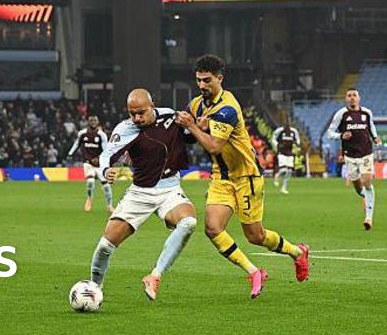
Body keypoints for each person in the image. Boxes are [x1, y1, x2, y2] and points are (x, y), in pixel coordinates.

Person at [176, 54, 310, 299]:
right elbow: (185, 136)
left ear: (220, 78)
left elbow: (214, 146)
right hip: (221, 177)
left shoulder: (227, 108)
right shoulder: (196, 104)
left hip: (246, 176)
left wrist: (194, 127)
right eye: (198, 80)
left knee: (255, 236)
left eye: (207, 80)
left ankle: (298, 253)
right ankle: (254, 271)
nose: (202, 86)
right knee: (212, 228)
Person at [88, 89, 198, 302]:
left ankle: (155, 275)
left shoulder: (168, 115)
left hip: (170, 189)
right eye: (132, 114)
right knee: (105, 246)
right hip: (140, 193)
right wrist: (105, 171)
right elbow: (106, 156)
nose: (137, 118)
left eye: (141, 113)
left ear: (152, 106)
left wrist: (193, 124)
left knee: (188, 222)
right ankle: (94, 288)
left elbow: (189, 135)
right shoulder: (125, 129)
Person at [326, 88, 381, 230]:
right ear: (346, 99)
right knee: (358, 187)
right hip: (350, 156)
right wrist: (341, 135)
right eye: (349, 95)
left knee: (367, 181)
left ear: (359, 98)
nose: (352, 98)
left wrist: (375, 137)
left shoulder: (366, 113)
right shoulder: (341, 114)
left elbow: (371, 126)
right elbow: (330, 132)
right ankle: (365, 197)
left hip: (366, 153)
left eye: (354, 95)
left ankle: (368, 217)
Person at [68, 115, 113, 214]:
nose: (93, 122)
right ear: (88, 122)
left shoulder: (102, 135)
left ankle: (109, 206)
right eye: (91, 120)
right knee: (90, 181)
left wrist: (99, 158)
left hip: (100, 164)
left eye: (95, 120)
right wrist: (70, 153)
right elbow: (77, 144)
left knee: (106, 186)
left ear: (98, 122)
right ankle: (89, 199)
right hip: (88, 162)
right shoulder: (82, 133)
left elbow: (106, 150)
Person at [270, 121, 301, 194]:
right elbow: (273, 138)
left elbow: (297, 139)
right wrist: (277, 145)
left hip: (289, 153)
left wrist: (297, 144)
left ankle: (284, 188)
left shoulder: (294, 131)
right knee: (284, 170)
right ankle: (276, 176)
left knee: (289, 171)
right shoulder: (279, 131)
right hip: (281, 153)